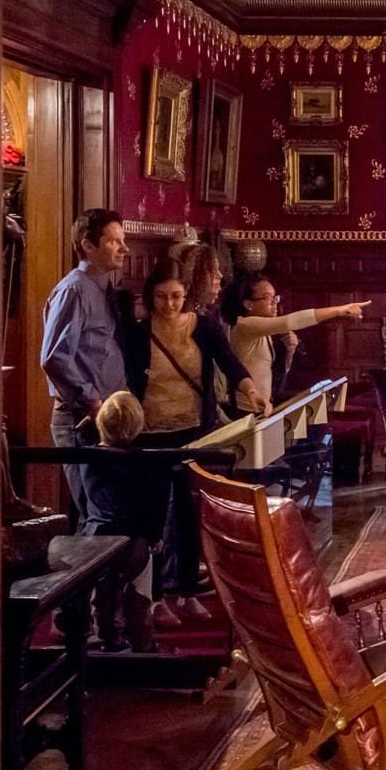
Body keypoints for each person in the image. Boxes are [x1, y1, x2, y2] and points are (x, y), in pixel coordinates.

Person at [125, 258, 270, 624]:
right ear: (151, 296)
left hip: (193, 431)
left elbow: (230, 363)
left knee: (189, 514)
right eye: (162, 297)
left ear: (186, 294)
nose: (169, 304)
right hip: (150, 433)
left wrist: (251, 392)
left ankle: (188, 592)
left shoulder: (203, 327)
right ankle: (155, 597)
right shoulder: (138, 332)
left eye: (176, 296)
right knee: (153, 515)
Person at [40, 208, 129, 530]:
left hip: (104, 418)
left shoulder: (103, 290)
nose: (124, 248)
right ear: (88, 245)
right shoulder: (74, 290)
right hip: (82, 419)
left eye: (123, 240)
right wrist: (93, 401)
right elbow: (54, 357)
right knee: (100, 516)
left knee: (107, 512)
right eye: (114, 241)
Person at [222, 276, 370, 413]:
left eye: (275, 298)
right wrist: (339, 310)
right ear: (248, 304)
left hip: (262, 408)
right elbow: (290, 321)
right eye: (268, 298)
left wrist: (290, 351)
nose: (275, 303)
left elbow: (275, 374)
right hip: (245, 410)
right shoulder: (245, 325)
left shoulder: (264, 333)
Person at [88, 391, 154, 652]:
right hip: (133, 538)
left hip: (97, 534)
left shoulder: (88, 458)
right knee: (139, 592)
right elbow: (149, 506)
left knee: (103, 590)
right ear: (138, 425)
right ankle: (141, 641)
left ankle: (107, 637)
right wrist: (154, 536)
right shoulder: (143, 462)